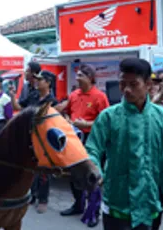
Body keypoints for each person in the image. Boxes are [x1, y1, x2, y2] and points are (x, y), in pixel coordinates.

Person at [86, 58, 163, 230]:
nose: (126, 90)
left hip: (149, 198)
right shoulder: (109, 116)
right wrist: (95, 171)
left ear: (148, 84)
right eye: (122, 84)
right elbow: (93, 148)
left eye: (134, 84)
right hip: (117, 199)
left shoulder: (161, 116)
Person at [58, 64, 109, 228]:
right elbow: (65, 111)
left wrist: (86, 123)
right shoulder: (74, 95)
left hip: (91, 139)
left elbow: (105, 122)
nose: (77, 78)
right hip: (74, 139)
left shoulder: (99, 96)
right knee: (74, 175)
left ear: (90, 78)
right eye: (77, 75)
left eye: (80, 75)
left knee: (91, 176)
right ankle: (78, 205)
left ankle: (93, 212)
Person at [29, 70, 58, 214]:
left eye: (40, 80)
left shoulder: (53, 101)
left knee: (44, 170)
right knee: (31, 167)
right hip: (31, 136)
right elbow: (21, 108)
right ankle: (32, 195)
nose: (37, 81)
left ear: (48, 82)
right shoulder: (33, 96)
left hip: (45, 139)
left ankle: (43, 199)